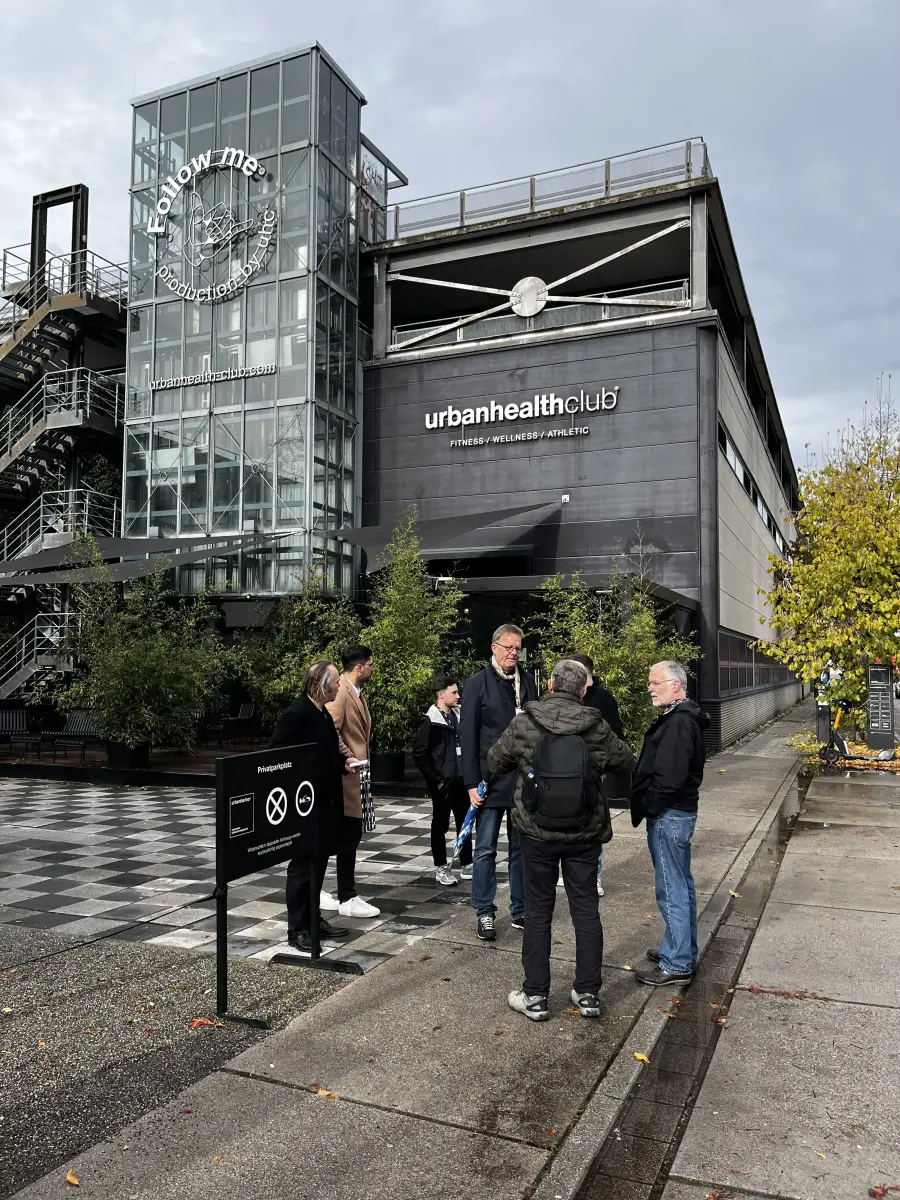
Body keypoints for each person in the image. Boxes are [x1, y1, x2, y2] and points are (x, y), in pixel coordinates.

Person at [488, 658, 635, 1021]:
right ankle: (587, 993)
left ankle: (535, 996)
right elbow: (625, 761)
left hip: (535, 832)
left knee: (538, 911)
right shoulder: (596, 726)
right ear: (583, 690)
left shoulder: (525, 721)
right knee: (585, 909)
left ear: (550, 685)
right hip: (585, 831)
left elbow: (495, 761)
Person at [629, 660, 709, 986]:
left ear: (675, 685)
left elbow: (669, 777)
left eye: (655, 682)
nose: (650, 688)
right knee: (681, 885)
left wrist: (651, 806)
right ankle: (681, 951)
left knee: (672, 889)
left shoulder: (679, 722)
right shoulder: (680, 717)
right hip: (676, 814)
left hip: (670, 815)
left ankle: (676, 963)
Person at [268, 660, 356, 952]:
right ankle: (298, 929)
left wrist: (344, 764)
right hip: (303, 806)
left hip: (324, 805)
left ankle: (313, 920)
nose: (339, 685)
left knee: (318, 864)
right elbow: (276, 759)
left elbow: (328, 753)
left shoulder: (322, 713)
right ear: (322, 684)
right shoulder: (296, 715)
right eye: (335, 681)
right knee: (302, 868)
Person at [460, 623, 537, 942]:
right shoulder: (477, 684)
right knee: (485, 849)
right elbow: (467, 735)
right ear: (494, 648)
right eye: (508, 647)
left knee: (521, 849)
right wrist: (470, 782)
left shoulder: (527, 682)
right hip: (489, 780)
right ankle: (484, 911)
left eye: (518, 648)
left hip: (522, 781)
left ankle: (520, 909)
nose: (514, 653)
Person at [324, 645, 381, 920]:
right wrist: (349, 756)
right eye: (370, 665)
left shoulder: (354, 691)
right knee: (348, 836)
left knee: (346, 836)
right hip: (346, 778)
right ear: (359, 667)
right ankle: (347, 896)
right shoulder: (341, 693)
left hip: (355, 777)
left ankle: (328, 890)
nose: (372, 669)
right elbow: (330, 730)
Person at [569, 653, 627, 898]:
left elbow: (616, 738)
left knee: (592, 823)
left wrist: (602, 765)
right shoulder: (569, 697)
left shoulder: (602, 699)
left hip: (592, 772)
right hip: (566, 770)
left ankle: (594, 874)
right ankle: (571, 871)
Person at [411, 676, 473, 886]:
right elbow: (419, 753)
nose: (458, 696)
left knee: (465, 821)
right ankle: (441, 867)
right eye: (453, 692)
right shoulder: (430, 722)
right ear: (441, 695)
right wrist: (436, 780)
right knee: (440, 823)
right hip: (443, 782)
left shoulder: (458, 715)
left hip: (461, 778)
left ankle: (467, 863)